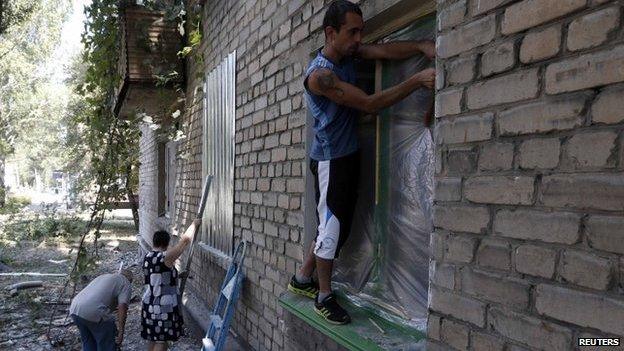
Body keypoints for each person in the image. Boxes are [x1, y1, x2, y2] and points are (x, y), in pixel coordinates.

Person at [287, 0, 436, 325]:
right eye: (352, 32)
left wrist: (421, 45)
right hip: (331, 161)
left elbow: (383, 52)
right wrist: (417, 81)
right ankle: (324, 295)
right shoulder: (320, 77)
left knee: (331, 222)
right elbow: (369, 103)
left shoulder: (349, 53)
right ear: (330, 33)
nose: (359, 39)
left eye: (361, 32)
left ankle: (302, 278)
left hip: (346, 154)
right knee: (332, 227)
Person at [140, 219, 200, 351]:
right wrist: (194, 225)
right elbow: (183, 243)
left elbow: (157, 277)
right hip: (162, 307)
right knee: (161, 341)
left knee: (153, 338)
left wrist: (177, 276)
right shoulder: (164, 257)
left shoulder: (148, 257)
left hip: (149, 305)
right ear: (166, 244)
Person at [69, 269, 133, 350]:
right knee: (106, 344)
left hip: (75, 308)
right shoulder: (125, 282)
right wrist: (121, 332)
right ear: (130, 279)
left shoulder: (104, 277)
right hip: (93, 310)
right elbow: (122, 307)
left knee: (89, 342)